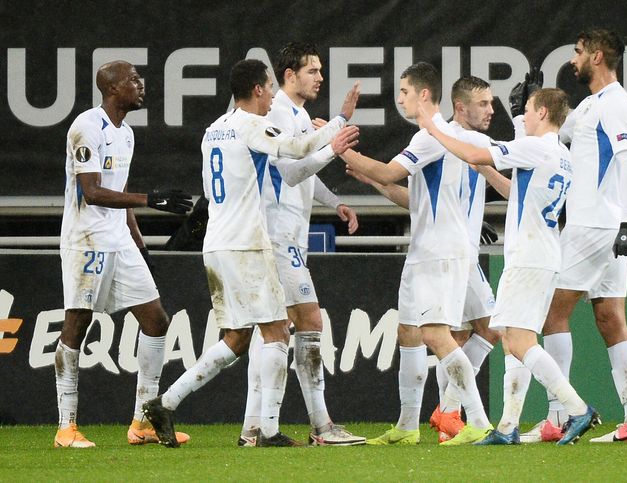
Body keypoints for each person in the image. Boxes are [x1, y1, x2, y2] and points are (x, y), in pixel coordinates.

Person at [141, 59, 360, 448]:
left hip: (216, 244)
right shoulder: (250, 125)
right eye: (270, 87)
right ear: (258, 89)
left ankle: (166, 401)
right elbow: (296, 149)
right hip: (247, 242)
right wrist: (338, 126)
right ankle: (269, 431)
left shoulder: (212, 131)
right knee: (277, 331)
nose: (274, 94)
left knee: (238, 337)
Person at [418, 87, 600, 445]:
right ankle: (508, 426)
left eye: (528, 111)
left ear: (544, 113)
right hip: (544, 255)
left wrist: (434, 129)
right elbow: (514, 190)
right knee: (513, 340)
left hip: (528, 257)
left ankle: (577, 408)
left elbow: (473, 150)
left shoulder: (536, 146)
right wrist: (485, 170)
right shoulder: (560, 154)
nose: (523, 117)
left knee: (518, 339)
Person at [342, 62, 492, 446]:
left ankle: (475, 420)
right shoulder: (443, 137)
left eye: (405, 92)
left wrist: (339, 149)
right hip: (427, 247)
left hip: (440, 251)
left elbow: (391, 173)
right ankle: (407, 426)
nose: (401, 99)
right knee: (409, 331)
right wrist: (368, 176)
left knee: (438, 335)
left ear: (424, 95)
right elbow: (417, 201)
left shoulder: (432, 136)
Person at [521, 29, 627, 444]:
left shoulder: (616, 103)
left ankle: (558, 417)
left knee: (549, 315)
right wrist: (523, 107)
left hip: (596, 225)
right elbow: (548, 137)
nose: (572, 60)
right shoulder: (589, 107)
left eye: (577, 53)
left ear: (596, 56)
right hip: (606, 229)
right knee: (610, 317)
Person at [55, 60, 194, 448]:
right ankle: (66, 427)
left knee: (156, 320)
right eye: (133, 79)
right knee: (77, 325)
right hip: (87, 241)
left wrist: (140, 242)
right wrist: (153, 199)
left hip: (119, 241)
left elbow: (120, 193)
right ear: (113, 89)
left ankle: (142, 422)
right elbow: (93, 192)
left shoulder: (127, 134)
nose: (141, 84)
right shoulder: (87, 127)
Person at [238, 42, 365, 447]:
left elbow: (303, 175)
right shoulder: (274, 111)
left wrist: (335, 202)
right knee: (309, 321)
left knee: (271, 331)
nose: (320, 77)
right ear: (289, 75)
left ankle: (252, 429)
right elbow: (290, 173)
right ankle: (321, 427)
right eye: (313, 70)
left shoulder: (298, 115)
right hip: (276, 233)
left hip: (288, 232)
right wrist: (333, 144)